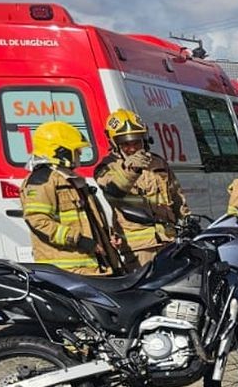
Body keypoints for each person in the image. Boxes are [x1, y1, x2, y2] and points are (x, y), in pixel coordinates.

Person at [20, 121, 129, 275]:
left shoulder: (70, 179)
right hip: (68, 271)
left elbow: (89, 219)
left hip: (91, 267)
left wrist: (108, 236)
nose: (80, 155)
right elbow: (38, 222)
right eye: (76, 151)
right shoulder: (42, 181)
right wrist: (80, 241)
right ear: (61, 151)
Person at [94, 108, 189, 264]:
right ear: (115, 144)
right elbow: (115, 191)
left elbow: (176, 196)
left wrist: (186, 221)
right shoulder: (107, 168)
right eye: (126, 144)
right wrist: (132, 170)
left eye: (137, 142)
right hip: (139, 247)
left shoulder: (158, 162)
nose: (133, 148)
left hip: (168, 240)